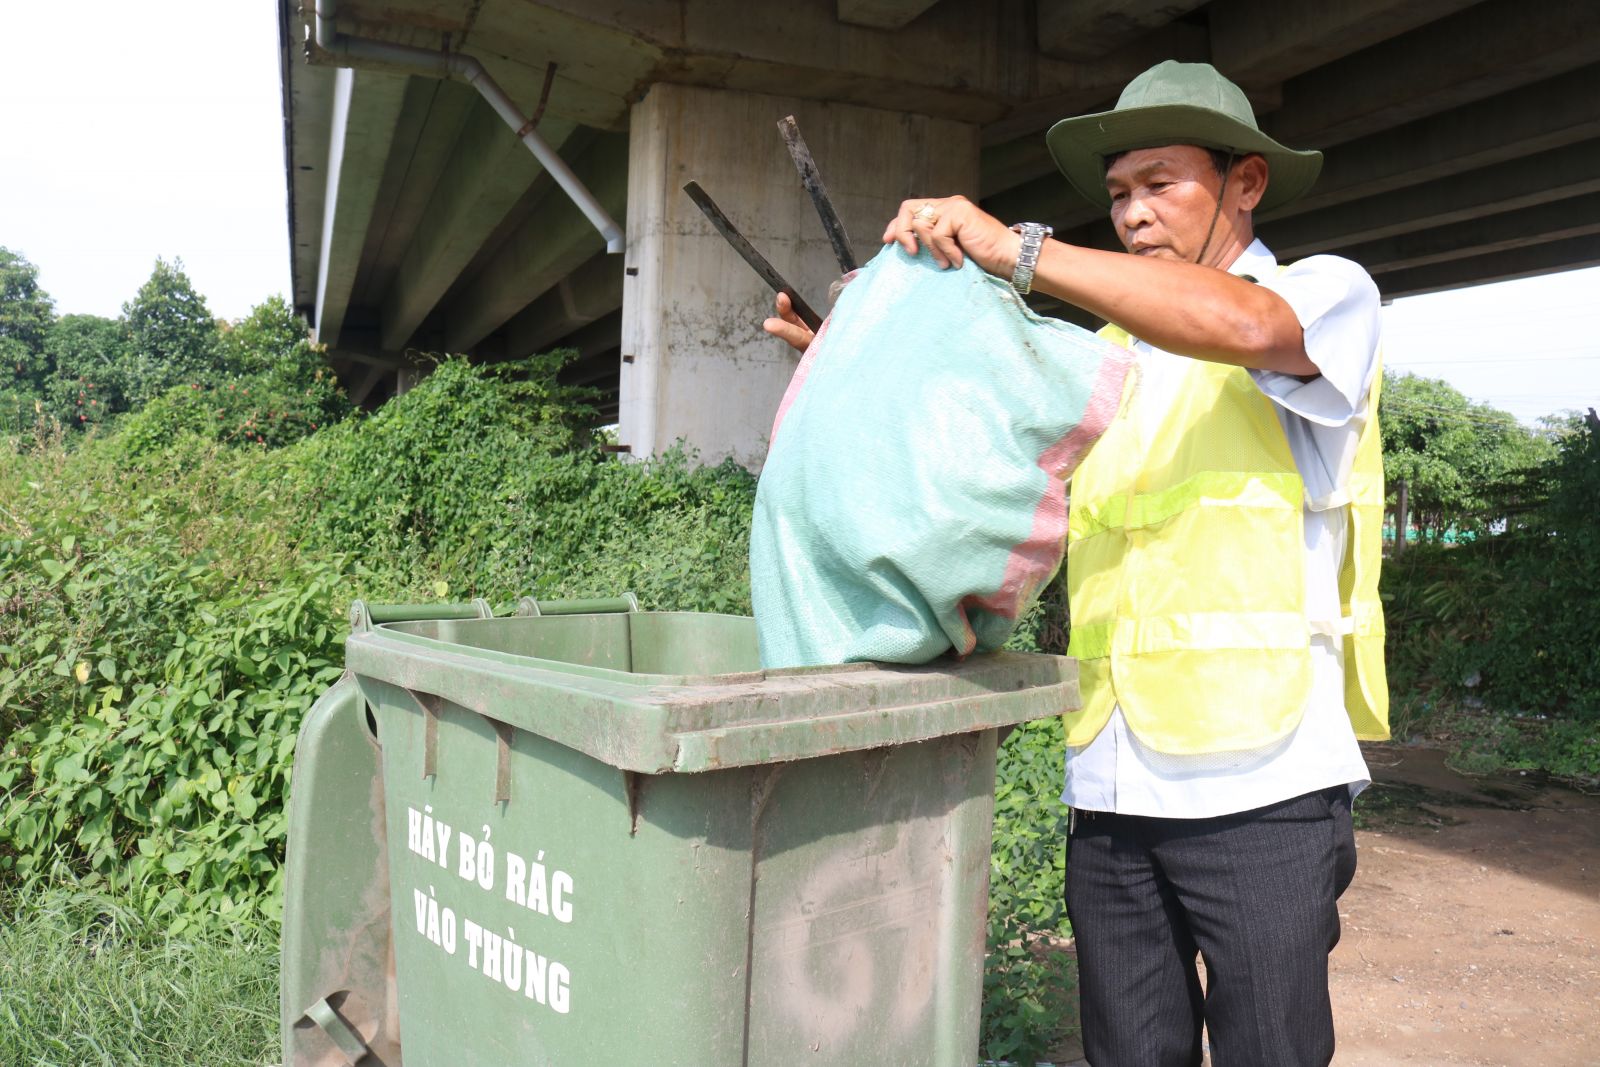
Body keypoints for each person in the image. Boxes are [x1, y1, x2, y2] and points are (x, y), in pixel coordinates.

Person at [765, 60, 1389, 1067]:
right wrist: (851, 363)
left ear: (1245, 183)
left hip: (1262, 784)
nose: (1132, 212)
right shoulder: (1103, 356)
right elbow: (975, 476)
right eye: (1115, 194)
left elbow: (1240, 327)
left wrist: (1016, 249)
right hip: (1108, 783)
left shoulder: (1317, 295)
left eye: (1159, 183)